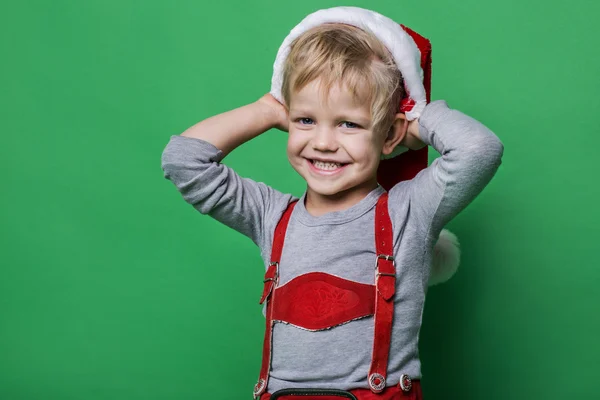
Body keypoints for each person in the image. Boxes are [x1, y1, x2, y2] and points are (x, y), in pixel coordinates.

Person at [160, 6, 504, 400]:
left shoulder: (408, 212)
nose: (323, 142)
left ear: (389, 134)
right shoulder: (272, 217)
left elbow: (480, 150)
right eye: (306, 120)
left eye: (349, 123)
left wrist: (417, 117)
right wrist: (267, 110)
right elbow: (183, 160)